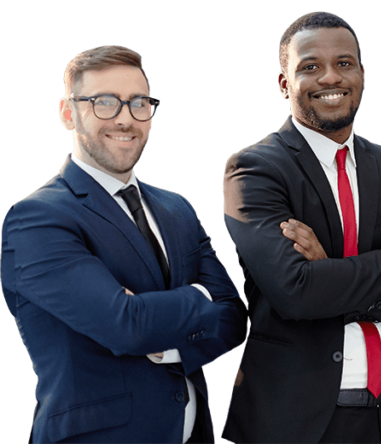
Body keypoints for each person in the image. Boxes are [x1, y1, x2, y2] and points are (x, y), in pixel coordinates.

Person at [0, 45, 246, 443]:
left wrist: (164, 343)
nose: (126, 119)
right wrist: (201, 297)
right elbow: (126, 326)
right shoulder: (36, 219)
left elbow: (233, 316)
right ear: (68, 113)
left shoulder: (177, 208)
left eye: (139, 103)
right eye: (105, 102)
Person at [220, 11, 381, 444]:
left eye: (343, 63)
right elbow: (296, 292)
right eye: (310, 66)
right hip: (296, 423)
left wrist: (330, 267)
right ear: (284, 83)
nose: (330, 77)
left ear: (361, 74)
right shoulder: (254, 169)